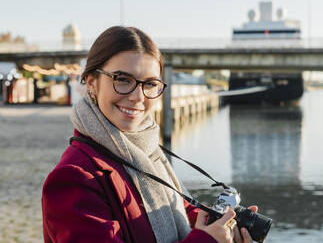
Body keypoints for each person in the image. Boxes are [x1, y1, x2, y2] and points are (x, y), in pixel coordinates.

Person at [41, 26, 258, 243]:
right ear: (91, 84)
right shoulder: (73, 179)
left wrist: (217, 225)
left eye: (150, 84)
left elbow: (176, 216)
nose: (138, 97)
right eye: (123, 79)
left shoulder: (149, 155)